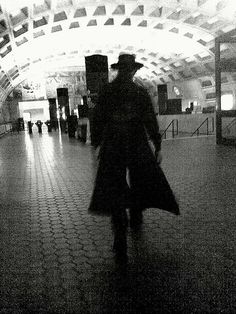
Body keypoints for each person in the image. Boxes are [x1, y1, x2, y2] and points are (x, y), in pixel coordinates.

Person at [88, 54, 179, 260]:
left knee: (115, 188)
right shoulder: (140, 92)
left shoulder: (107, 91)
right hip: (137, 144)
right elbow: (149, 119)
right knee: (140, 181)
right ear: (134, 70)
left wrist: (97, 143)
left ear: (119, 69)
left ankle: (120, 239)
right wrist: (157, 144)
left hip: (113, 145)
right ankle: (136, 218)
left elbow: (98, 118)